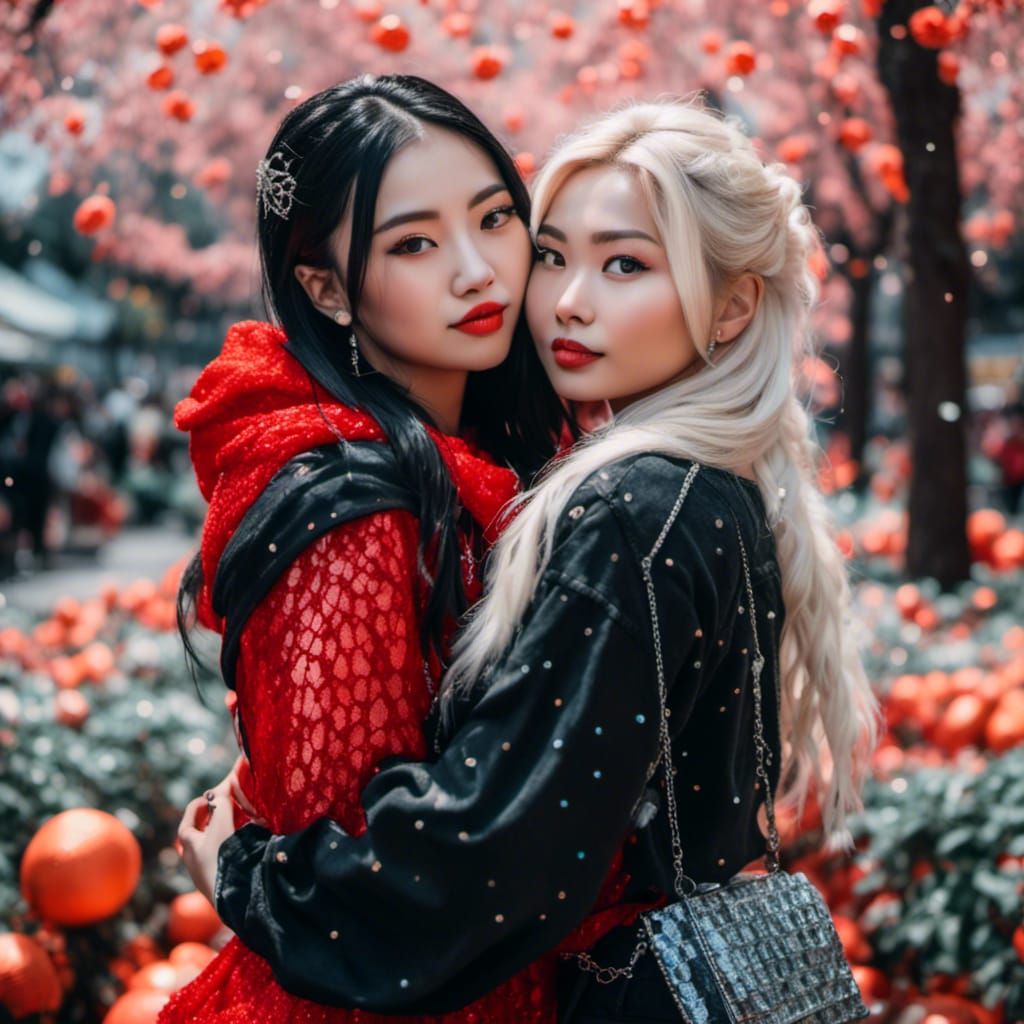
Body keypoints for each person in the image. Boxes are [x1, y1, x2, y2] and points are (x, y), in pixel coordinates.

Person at [180, 98, 879, 1021]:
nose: (557, 298)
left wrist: (244, 873)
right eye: (552, 254)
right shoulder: (693, 480)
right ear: (326, 288)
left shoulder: (635, 506)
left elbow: (493, 857)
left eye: (624, 264)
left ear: (734, 305)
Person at [160, 74, 643, 1024]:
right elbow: (361, 902)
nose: (478, 271)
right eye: (414, 243)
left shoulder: (505, 458)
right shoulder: (355, 519)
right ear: (325, 287)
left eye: (495, 219)